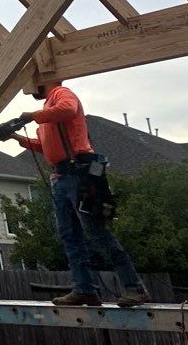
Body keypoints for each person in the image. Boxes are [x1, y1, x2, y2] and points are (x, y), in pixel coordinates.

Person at [13, 78, 149, 307]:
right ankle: (84, 290)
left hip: (79, 174)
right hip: (62, 177)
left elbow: (69, 108)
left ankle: (134, 288)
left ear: (44, 79)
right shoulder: (48, 109)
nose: (29, 88)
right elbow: (45, 146)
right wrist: (16, 138)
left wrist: (31, 116)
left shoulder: (61, 93)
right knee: (69, 236)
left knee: (97, 232)